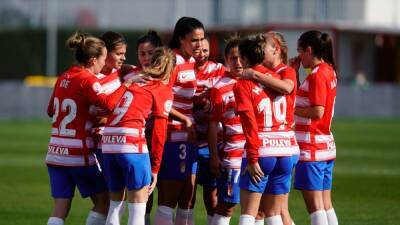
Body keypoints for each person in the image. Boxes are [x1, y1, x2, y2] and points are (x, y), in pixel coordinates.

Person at [46, 32, 128, 225]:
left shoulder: (64, 76)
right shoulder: (88, 80)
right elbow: (108, 104)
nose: (103, 63)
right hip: (78, 153)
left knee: (60, 207)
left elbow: (50, 110)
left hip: (55, 152)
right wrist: (127, 85)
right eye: (102, 58)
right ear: (93, 60)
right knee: (104, 201)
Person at [101, 46, 175, 225]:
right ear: (171, 68)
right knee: (138, 210)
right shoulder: (162, 89)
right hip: (132, 144)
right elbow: (159, 132)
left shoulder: (133, 81)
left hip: (108, 143)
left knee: (115, 205)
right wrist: (155, 169)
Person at [234, 34, 296, 225]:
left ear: (243, 59)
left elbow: (250, 125)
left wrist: (252, 158)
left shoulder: (243, 83)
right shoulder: (279, 78)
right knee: (273, 213)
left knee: (248, 214)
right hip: (286, 150)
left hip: (263, 150)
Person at [154, 16, 205, 225]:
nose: (200, 45)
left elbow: (183, 97)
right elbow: (159, 101)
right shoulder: (172, 61)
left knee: (188, 198)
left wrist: (201, 101)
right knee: (168, 199)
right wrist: (185, 119)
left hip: (190, 137)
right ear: (181, 39)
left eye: (202, 39)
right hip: (172, 136)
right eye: (194, 40)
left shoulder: (192, 62)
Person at [290, 30, 338, 225]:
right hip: (324, 145)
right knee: (326, 204)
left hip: (312, 147)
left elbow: (317, 111)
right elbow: (309, 100)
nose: (299, 57)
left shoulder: (317, 75)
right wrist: (294, 73)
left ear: (309, 50)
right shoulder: (328, 70)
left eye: (300, 51)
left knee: (316, 207)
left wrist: (291, 108)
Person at [207, 36, 245, 225]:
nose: (238, 62)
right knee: (227, 205)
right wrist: (214, 156)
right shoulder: (219, 88)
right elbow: (213, 124)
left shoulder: (258, 81)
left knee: (258, 207)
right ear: (226, 59)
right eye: (233, 58)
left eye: (241, 57)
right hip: (233, 154)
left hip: (256, 152)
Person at [193, 38, 225, 225]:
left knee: (212, 194)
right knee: (187, 195)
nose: (202, 53)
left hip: (211, 141)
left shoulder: (218, 69)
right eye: (198, 50)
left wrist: (210, 101)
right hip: (189, 138)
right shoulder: (184, 70)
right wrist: (200, 100)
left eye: (205, 50)